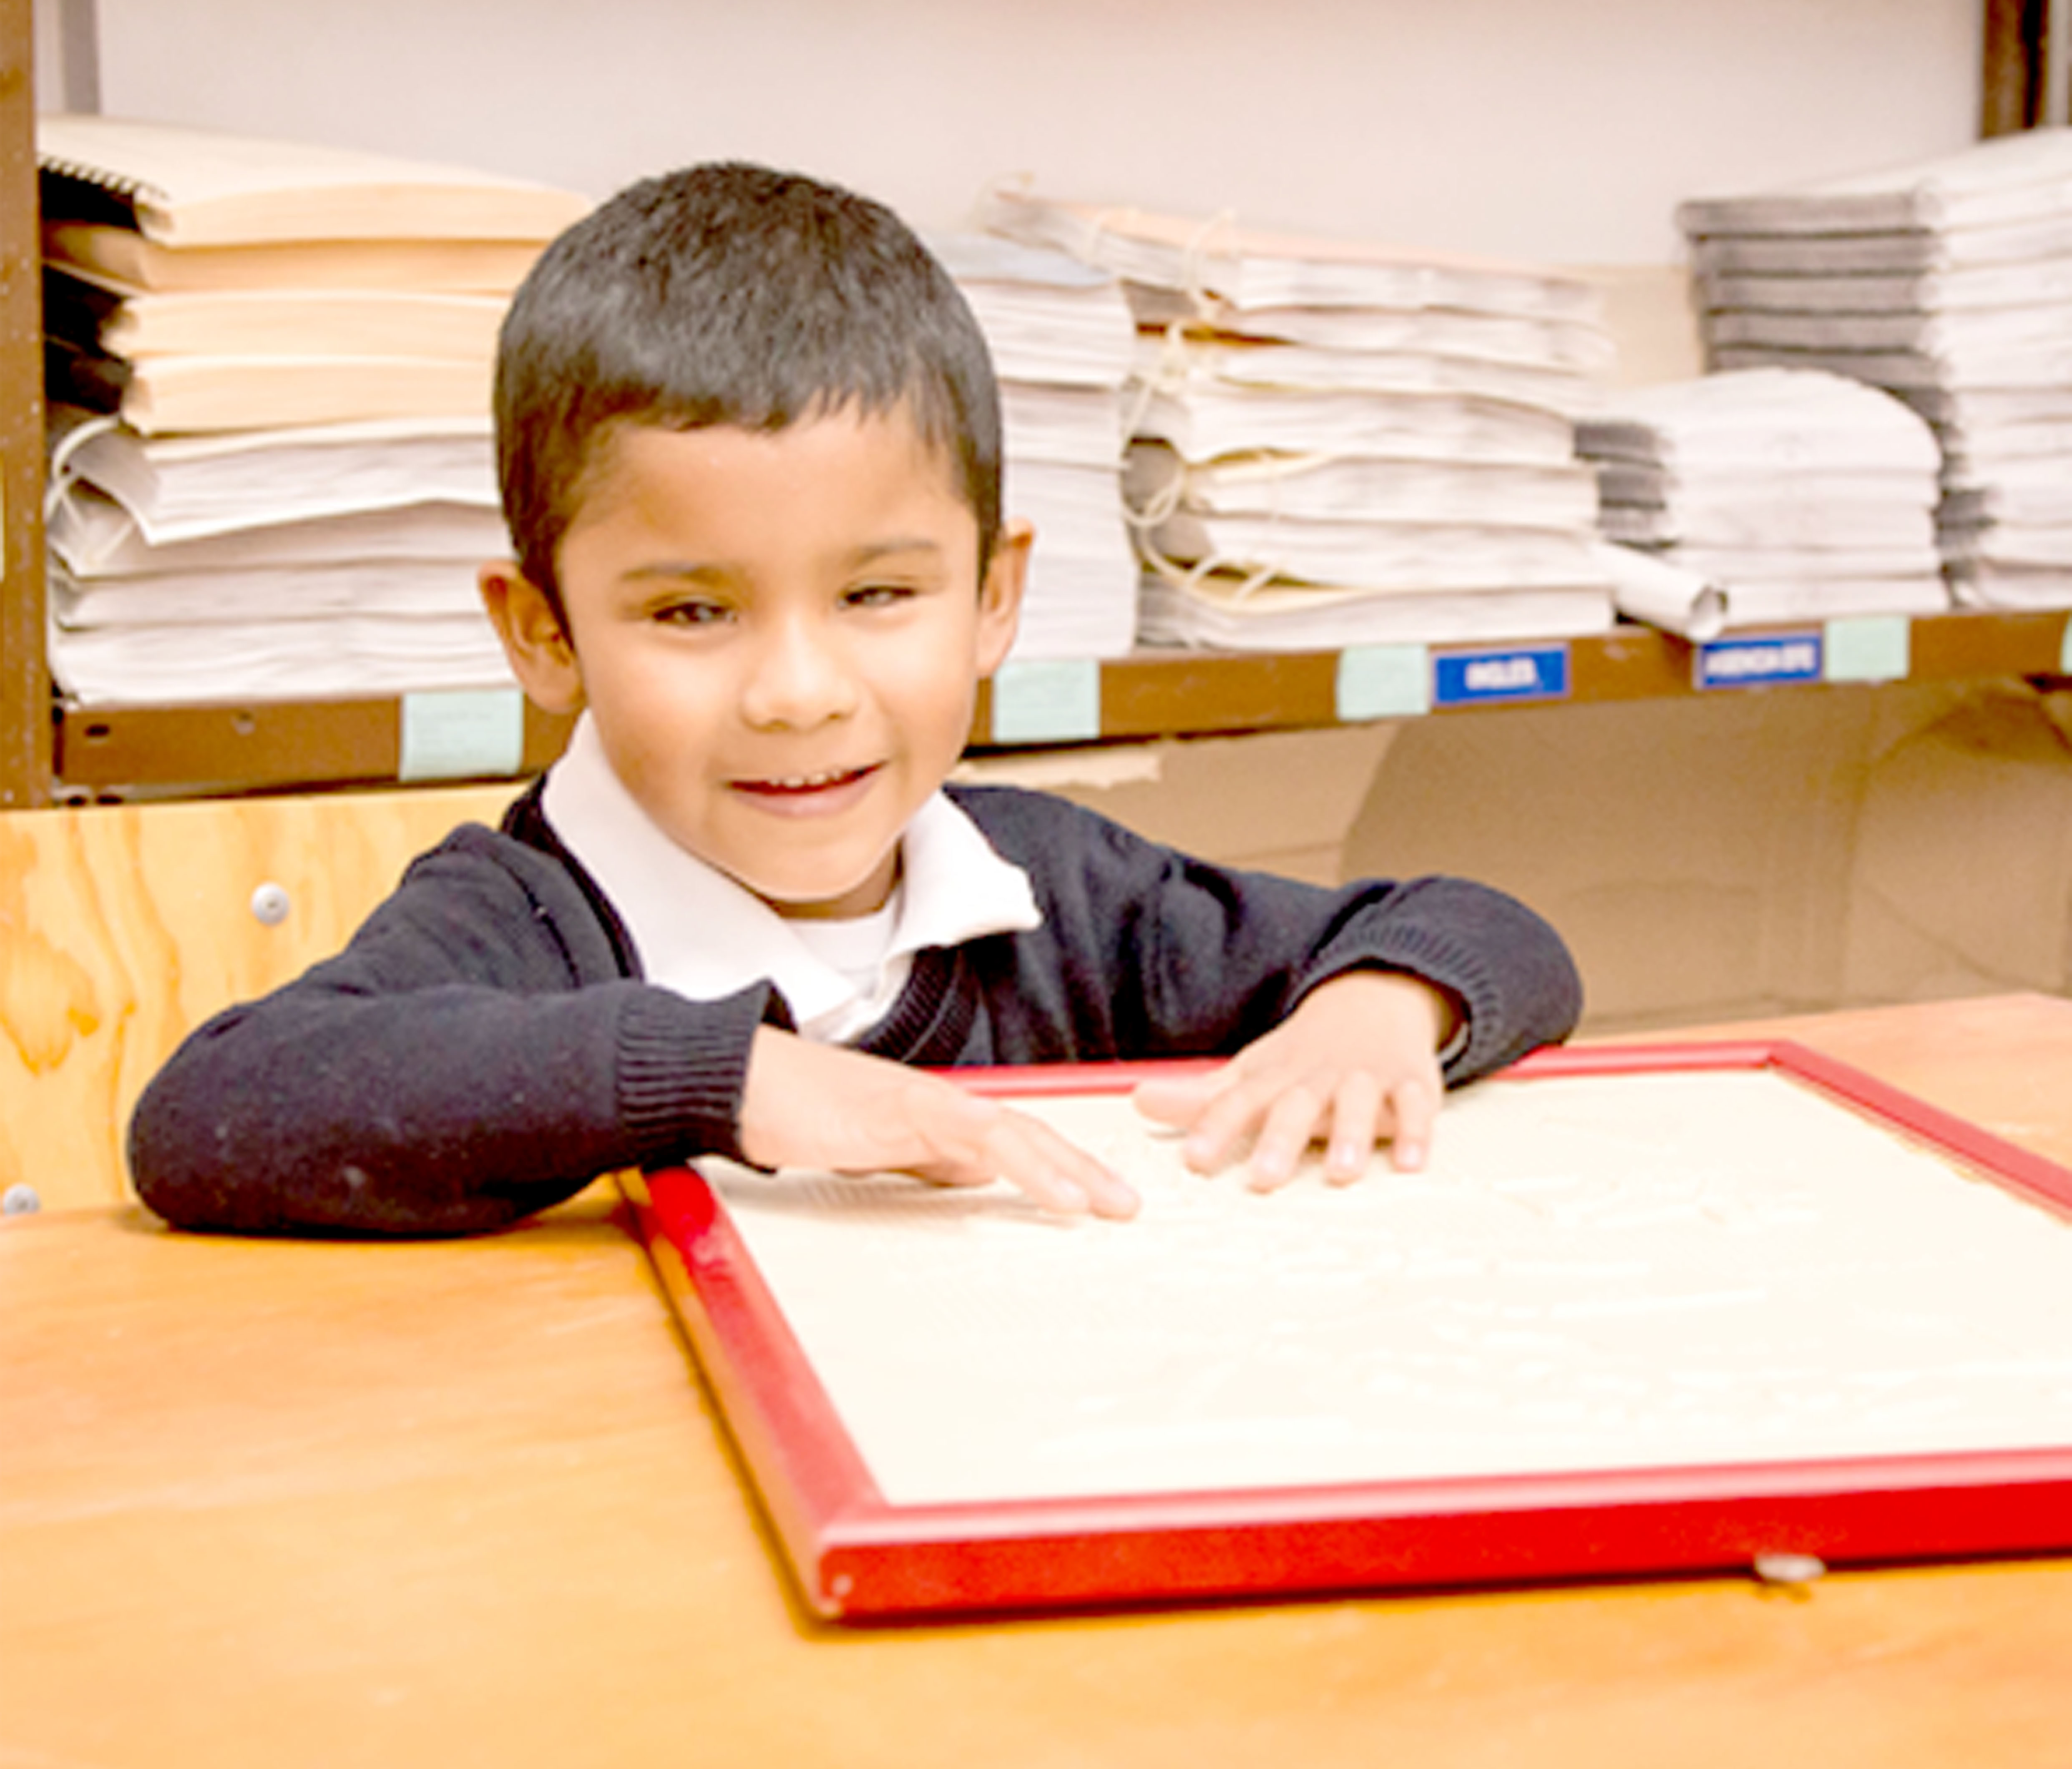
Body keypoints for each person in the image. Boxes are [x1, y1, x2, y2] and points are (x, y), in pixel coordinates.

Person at [128, 161, 1584, 1238]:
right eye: (692, 612)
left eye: (879, 596)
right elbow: (212, 1117)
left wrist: (1382, 1013)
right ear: (544, 634)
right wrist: (722, 1081)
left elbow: (1485, 930)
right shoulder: (517, 925)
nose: (800, 694)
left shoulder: (1054, 894)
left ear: (994, 596)